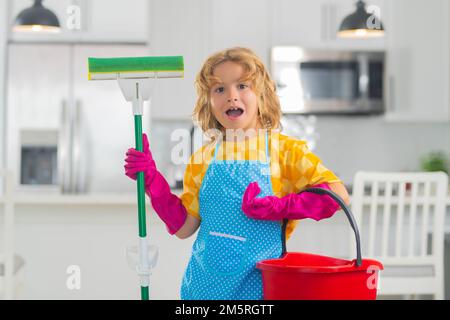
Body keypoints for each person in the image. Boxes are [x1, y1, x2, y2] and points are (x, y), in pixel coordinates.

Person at [124, 47, 350, 300]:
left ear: (262, 95)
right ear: (208, 102)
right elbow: (184, 227)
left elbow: (338, 195)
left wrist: (281, 206)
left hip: (261, 288)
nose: (231, 96)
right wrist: (153, 182)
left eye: (243, 86)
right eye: (219, 89)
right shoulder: (203, 157)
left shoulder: (285, 151)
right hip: (204, 288)